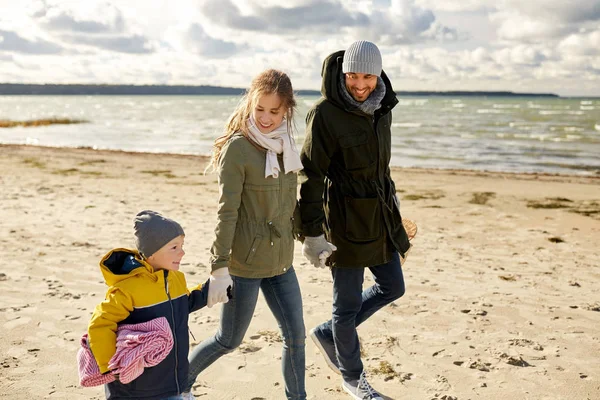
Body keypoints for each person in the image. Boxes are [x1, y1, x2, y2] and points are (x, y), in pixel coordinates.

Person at [298, 40, 412, 400]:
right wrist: (312, 234)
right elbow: (310, 176)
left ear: (378, 74)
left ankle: (329, 332)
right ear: (343, 72)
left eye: (367, 75)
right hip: (343, 222)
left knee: (393, 286)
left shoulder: (383, 107)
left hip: (379, 217)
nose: (360, 84)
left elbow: (382, 168)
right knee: (345, 306)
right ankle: (352, 378)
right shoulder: (324, 113)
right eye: (353, 76)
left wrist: (394, 209)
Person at [186, 69, 306, 400]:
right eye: (260, 110)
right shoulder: (238, 149)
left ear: (287, 110)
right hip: (245, 264)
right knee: (229, 339)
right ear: (250, 105)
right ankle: (178, 383)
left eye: (274, 111)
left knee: (296, 336)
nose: (266, 118)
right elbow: (227, 212)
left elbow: (289, 204)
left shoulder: (286, 146)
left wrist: (310, 237)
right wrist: (219, 266)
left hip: (281, 261)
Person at [86, 210, 216, 400]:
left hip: (171, 380)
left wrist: (211, 289)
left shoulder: (175, 279)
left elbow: (184, 304)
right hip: (135, 387)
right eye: (174, 247)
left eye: (182, 245)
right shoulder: (128, 289)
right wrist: (109, 366)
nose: (182, 252)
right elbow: (100, 324)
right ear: (151, 253)